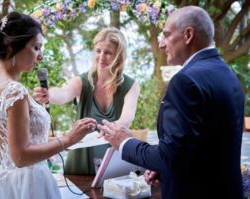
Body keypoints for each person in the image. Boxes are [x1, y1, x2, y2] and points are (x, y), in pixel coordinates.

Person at [98, 6, 244, 199]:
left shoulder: (185, 81)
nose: (161, 44)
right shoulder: (227, 74)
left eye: (166, 35)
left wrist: (125, 142)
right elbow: (206, 145)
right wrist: (165, 169)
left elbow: (170, 157)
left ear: (188, 35)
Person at [0, 12, 97, 199]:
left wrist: (73, 137)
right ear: (11, 47)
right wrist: (67, 140)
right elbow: (20, 157)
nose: (40, 56)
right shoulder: (14, 91)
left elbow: (23, 144)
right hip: (29, 184)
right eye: (36, 48)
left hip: (9, 182)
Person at [33, 27, 140, 175]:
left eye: (108, 53)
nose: (101, 57)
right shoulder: (82, 81)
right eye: (98, 51)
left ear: (119, 56)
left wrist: (108, 130)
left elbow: (127, 117)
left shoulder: (131, 85)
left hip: (114, 160)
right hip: (80, 160)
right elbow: (63, 93)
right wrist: (48, 94)